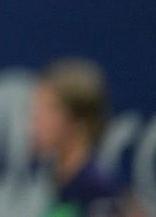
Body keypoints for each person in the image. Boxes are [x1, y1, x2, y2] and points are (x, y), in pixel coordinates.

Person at [31, 58, 141, 217]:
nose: (35, 123)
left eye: (45, 112)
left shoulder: (99, 190)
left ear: (77, 121)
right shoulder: (60, 182)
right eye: (35, 113)